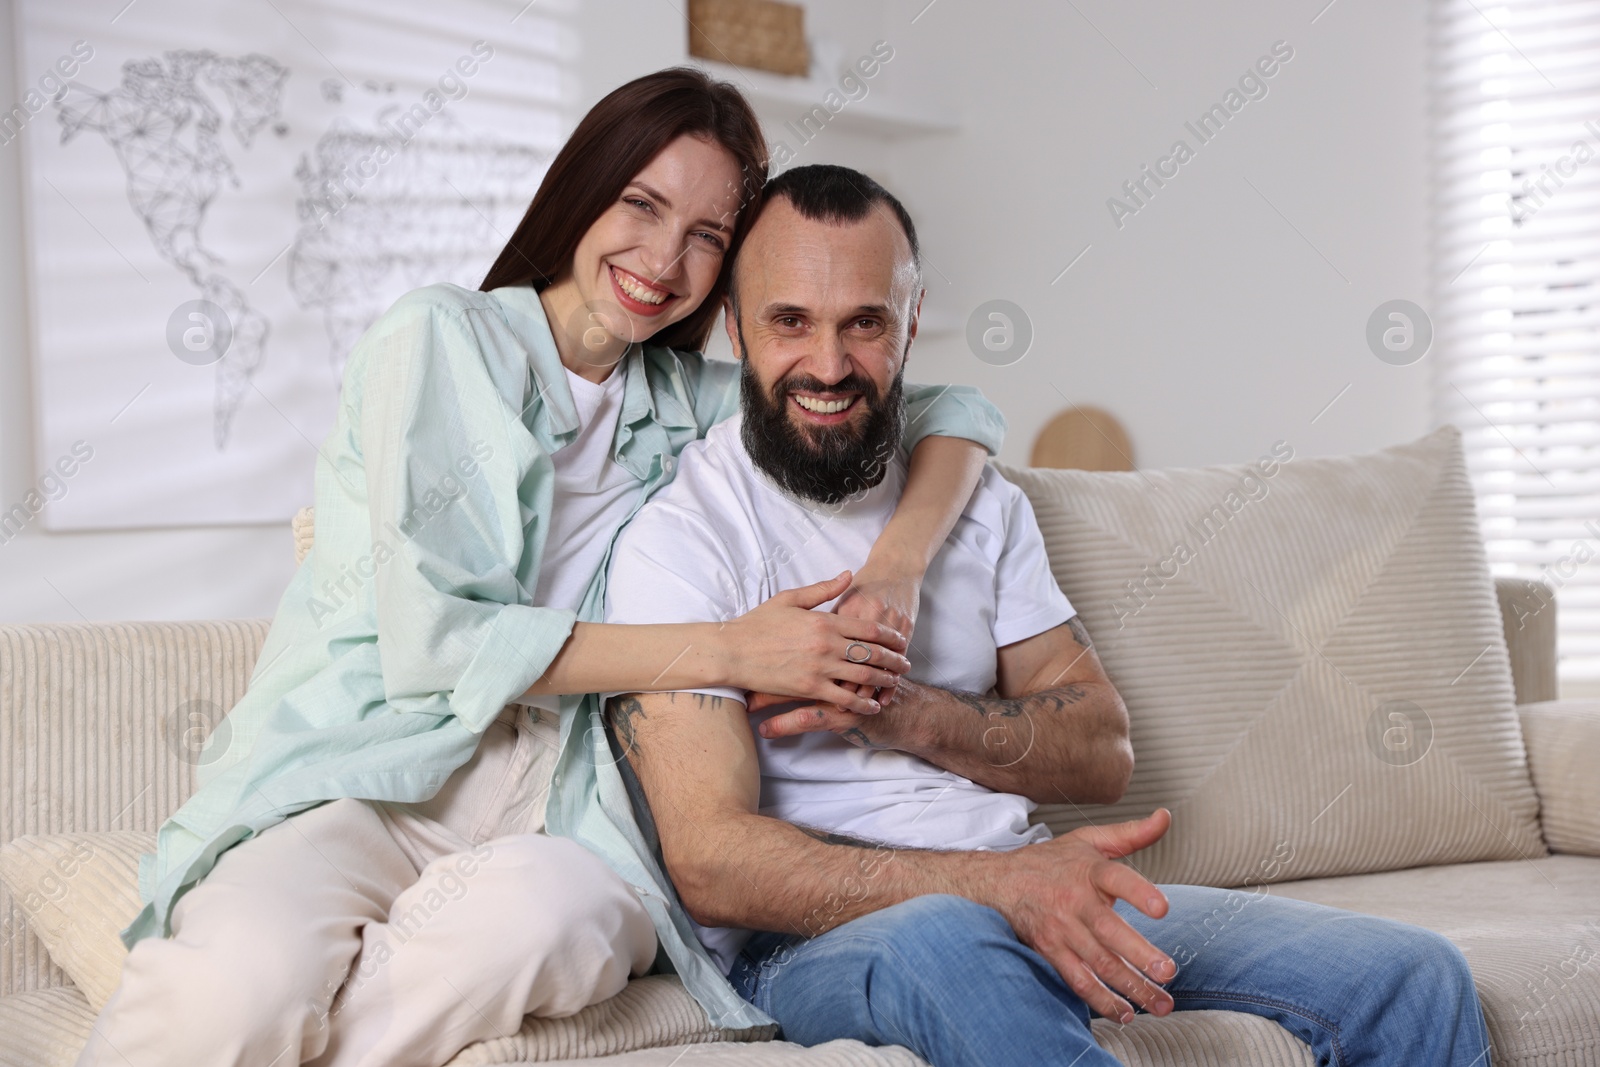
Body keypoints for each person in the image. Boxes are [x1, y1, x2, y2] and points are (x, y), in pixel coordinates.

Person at [77, 72, 1008, 1067]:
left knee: (571, 923)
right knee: (235, 989)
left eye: (706, 236)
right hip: (366, 773)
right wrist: (736, 647)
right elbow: (437, 639)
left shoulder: (692, 399)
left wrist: (900, 565)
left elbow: (951, 411)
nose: (663, 259)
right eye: (641, 206)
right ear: (584, 188)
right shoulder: (442, 337)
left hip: (562, 801)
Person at [601, 163, 1495, 1067]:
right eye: (790, 321)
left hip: (1031, 882)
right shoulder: (683, 540)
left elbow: (1102, 751)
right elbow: (710, 861)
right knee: (954, 941)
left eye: (863, 323)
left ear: (911, 323)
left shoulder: (977, 506)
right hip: (819, 942)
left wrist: (904, 708)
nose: (828, 366)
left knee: (1413, 974)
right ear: (734, 327)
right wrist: (998, 887)